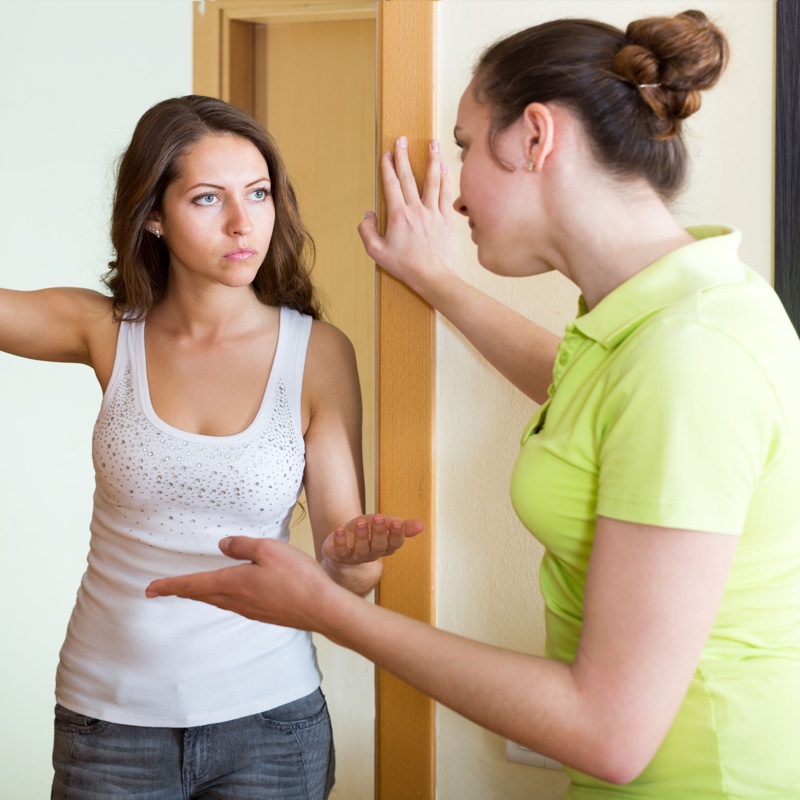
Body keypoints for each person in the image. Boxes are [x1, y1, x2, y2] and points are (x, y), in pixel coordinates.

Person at [147, 10, 800, 798]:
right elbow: (585, 387)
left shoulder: (690, 355)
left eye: (462, 145)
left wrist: (328, 610)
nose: (452, 191)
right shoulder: (673, 312)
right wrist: (438, 283)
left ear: (535, 137)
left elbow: (609, 733)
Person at [0, 94, 422, 799]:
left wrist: (352, 560)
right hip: (107, 721)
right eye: (207, 198)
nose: (242, 221)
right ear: (154, 215)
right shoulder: (106, 331)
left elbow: (345, 572)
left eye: (258, 193)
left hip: (270, 721)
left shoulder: (316, 354)